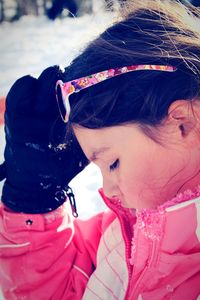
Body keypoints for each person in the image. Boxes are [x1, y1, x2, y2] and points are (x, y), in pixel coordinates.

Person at [0, 0, 200, 299]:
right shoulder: (126, 229)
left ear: (181, 123)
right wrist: (32, 197)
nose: (107, 190)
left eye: (113, 163)